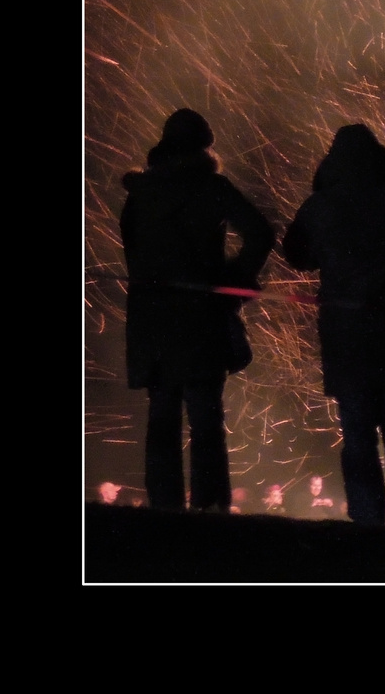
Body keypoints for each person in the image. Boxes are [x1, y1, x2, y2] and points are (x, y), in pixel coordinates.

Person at [283, 123, 385, 528]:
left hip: (347, 334)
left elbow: (297, 256)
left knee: (357, 435)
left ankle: (368, 522)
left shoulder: (318, 206)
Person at [120, 108, 275, 513]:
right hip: (201, 315)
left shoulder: (140, 195)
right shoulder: (213, 189)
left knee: (162, 417)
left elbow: (133, 257)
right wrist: (234, 281)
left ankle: (165, 510)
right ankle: (210, 510)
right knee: (206, 419)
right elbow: (261, 233)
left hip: (153, 320)